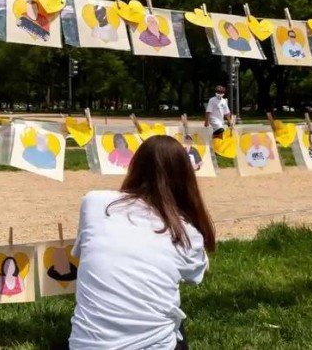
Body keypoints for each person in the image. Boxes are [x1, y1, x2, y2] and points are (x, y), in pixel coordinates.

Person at [69, 135, 215, 350]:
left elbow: (84, 255)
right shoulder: (186, 232)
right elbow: (196, 276)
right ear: (186, 178)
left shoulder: (93, 202)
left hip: (86, 346)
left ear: (134, 166)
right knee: (175, 320)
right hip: (155, 345)